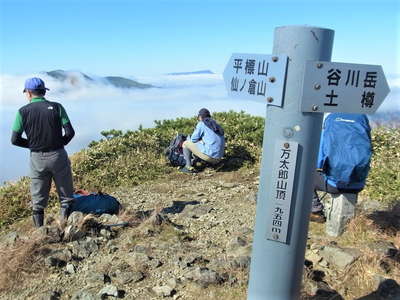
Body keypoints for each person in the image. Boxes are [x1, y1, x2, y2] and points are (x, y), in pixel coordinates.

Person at [11, 77, 75, 227]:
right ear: (43, 91)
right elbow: (70, 132)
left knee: (38, 201)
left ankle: (40, 234)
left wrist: (34, 145)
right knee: (66, 197)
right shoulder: (57, 107)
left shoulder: (22, 112)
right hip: (58, 154)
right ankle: (66, 227)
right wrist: (59, 143)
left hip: (37, 159)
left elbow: (14, 139)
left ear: (28, 93)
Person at [311, 113, 372, 222]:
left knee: (304, 177)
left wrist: (318, 168)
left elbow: (318, 161)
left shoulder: (330, 125)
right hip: (357, 184)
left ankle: (315, 211)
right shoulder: (361, 119)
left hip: (334, 185)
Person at [180, 108, 225, 173]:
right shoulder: (216, 124)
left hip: (210, 157)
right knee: (203, 144)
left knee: (186, 143)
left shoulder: (202, 124)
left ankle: (188, 167)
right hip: (219, 158)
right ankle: (210, 164)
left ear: (200, 117)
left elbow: (193, 139)